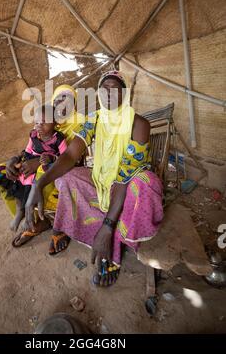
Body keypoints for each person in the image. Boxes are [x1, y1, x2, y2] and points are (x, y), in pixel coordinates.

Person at [24, 71, 164, 286]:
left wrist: (107, 227)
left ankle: (113, 239)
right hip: (103, 179)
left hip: (126, 185)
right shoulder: (95, 118)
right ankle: (85, 229)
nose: (108, 93)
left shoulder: (139, 124)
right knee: (67, 177)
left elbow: (123, 177)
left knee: (146, 183)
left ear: (125, 94)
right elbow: (70, 155)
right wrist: (39, 183)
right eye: (103, 88)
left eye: (114, 88)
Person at [0, 84, 85, 244]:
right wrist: (15, 159)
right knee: (0, 171)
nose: (62, 104)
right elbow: (30, 148)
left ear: (75, 105)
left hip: (63, 170)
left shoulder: (80, 124)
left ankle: (59, 223)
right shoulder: (43, 123)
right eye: (58, 100)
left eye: (68, 100)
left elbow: (75, 159)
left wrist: (41, 162)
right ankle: (32, 220)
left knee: (42, 170)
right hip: (37, 165)